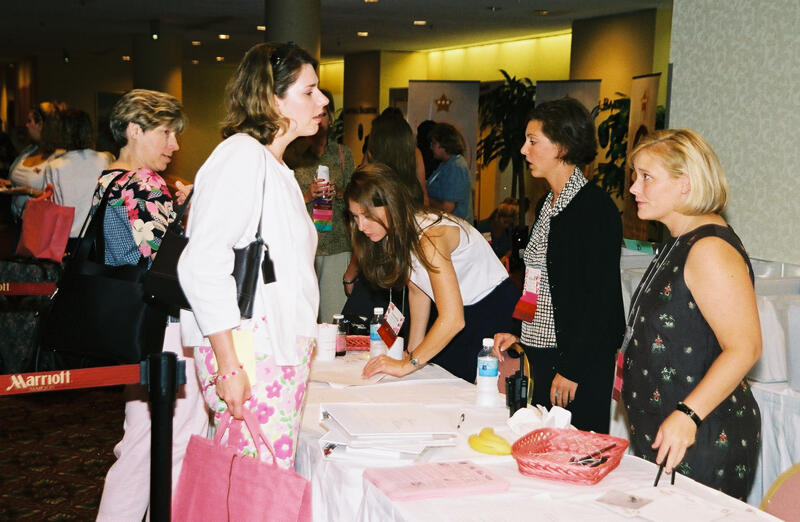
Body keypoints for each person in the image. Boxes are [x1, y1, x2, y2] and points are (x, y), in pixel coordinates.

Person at [178, 42, 327, 469]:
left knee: (260, 482)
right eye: (308, 91)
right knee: (250, 485)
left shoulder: (273, 166)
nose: (322, 100)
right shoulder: (242, 156)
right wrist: (228, 366)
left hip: (274, 349)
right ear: (271, 99)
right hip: (251, 350)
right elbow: (201, 263)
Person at [622, 129, 761, 499]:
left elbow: (744, 348)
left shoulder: (709, 248)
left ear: (684, 185)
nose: (635, 188)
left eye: (647, 177)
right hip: (672, 427)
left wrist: (688, 415)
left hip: (703, 431)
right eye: (636, 177)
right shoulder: (680, 242)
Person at [96, 89, 208, 521]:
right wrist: (195, 213)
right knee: (170, 442)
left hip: (139, 324)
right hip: (168, 327)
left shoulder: (110, 179)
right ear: (134, 129)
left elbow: (134, 251)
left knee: (141, 440)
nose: (174, 146)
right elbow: (174, 261)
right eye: (166, 133)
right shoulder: (143, 183)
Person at [492, 97, 624, 434]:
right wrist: (517, 329)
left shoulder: (594, 208)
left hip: (573, 362)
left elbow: (599, 301)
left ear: (563, 146)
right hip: (540, 352)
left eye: (533, 142)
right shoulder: (547, 204)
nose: (523, 150)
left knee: (571, 455)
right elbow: (535, 283)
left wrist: (573, 368)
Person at [350, 162, 519, 382]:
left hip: (491, 312)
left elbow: (452, 320)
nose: (361, 226)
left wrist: (406, 365)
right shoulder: (401, 232)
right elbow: (419, 291)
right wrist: (411, 353)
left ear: (392, 205)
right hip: (461, 313)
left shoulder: (431, 239)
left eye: (368, 216)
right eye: (355, 217)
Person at [287, 88, 355, 322]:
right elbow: (280, 200)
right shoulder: (290, 154)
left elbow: (356, 199)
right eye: (316, 114)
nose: (320, 119)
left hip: (336, 242)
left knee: (333, 316)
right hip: (301, 243)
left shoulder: (343, 154)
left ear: (330, 117)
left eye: (324, 114)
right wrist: (307, 195)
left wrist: (338, 192)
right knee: (300, 315)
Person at [43, 108, 113, 252]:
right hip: (98, 236)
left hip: (66, 237)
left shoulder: (53, 166)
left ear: (64, 132)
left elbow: (50, 205)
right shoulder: (105, 159)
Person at [2, 106, 64, 220]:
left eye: (29, 121)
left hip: (38, 223)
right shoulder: (28, 151)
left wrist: (28, 191)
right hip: (17, 220)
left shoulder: (58, 157)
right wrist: (7, 183)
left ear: (41, 125)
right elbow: (22, 181)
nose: (26, 125)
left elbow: (58, 196)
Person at [426, 122, 472, 222]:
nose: (431, 147)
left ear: (444, 144)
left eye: (434, 143)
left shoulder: (455, 167)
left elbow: (447, 208)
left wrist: (425, 198)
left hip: (456, 228)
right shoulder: (445, 164)